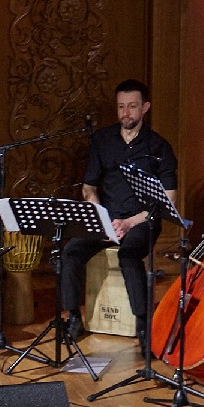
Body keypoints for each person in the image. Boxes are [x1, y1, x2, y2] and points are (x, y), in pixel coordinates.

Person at [59, 79, 178, 345]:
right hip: (107, 219)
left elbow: (168, 200)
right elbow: (89, 188)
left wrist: (129, 223)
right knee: (71, 252)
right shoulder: (102, 140)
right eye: (121, 106)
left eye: (132, 106)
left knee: (129, 255)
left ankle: (144, 325)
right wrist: (100, 217)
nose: (125, 113)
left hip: (142, 220)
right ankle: (74, 319)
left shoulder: (159, 147)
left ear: (145, 107)